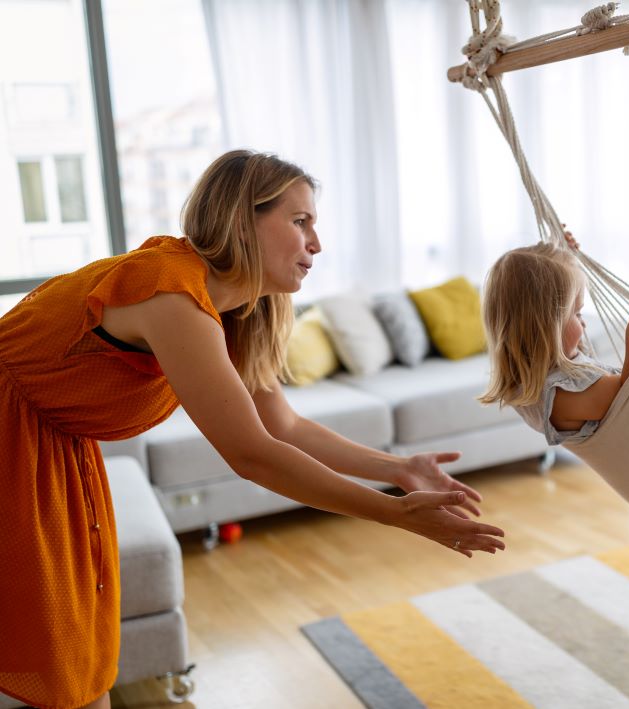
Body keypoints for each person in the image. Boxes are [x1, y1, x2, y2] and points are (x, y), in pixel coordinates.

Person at [0, 150, 506, 709]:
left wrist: (399, 469)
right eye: (300, 222)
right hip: (10, 440)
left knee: (77, 656)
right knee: (55, 658)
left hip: (51, 448)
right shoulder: (169, 292)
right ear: (243, 220)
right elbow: (252, 454)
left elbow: (282, 426)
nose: (317, 243)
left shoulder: (243, 311)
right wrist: (391, 511)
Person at [479, 241, 629, 445]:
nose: (584, 323)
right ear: (547, 327)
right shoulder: (559, 398)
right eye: (577, 313)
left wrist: (564, 251)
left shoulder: (556, 363)